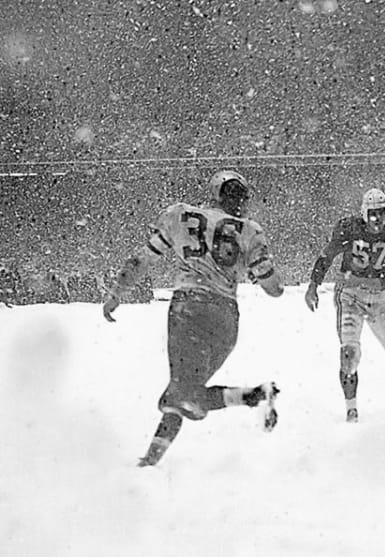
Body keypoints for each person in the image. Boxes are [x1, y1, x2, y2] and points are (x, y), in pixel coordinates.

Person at [101, 170, 283, 467]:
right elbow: (275, 289)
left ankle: (248, 396)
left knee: (182, 393)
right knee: (187, 393)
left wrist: (118, 291)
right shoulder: (250, 230)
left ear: (214, 194)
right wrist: (254, 270)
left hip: (189, 308)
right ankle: (151, 460)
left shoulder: (181, 216)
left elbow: (142, 259)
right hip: (225, 318)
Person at [305, 188, 385, 422]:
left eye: (381, 213)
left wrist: (365, 279)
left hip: (380, 298)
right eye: (372, 213)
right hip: (351, 297)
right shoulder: (349, 228)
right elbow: (327, 255)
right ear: (364, 214)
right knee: (349, 353)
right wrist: (314, 284)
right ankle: (351, 408)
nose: (377, 219)